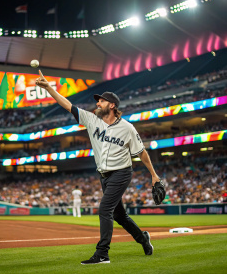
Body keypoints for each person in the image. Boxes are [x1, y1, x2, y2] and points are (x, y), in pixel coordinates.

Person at [36, 70, 160, 265]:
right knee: (120, 215)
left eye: (101, 101)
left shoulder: (127, 127)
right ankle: (143, 239)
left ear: (111, 105)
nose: (97, 104)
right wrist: (49, 88)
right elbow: (68, 105)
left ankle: (102, 253)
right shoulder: (92, 120)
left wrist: (154, 175)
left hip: (122, 172)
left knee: (104, 209)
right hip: (105, 175)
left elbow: (142, 153)